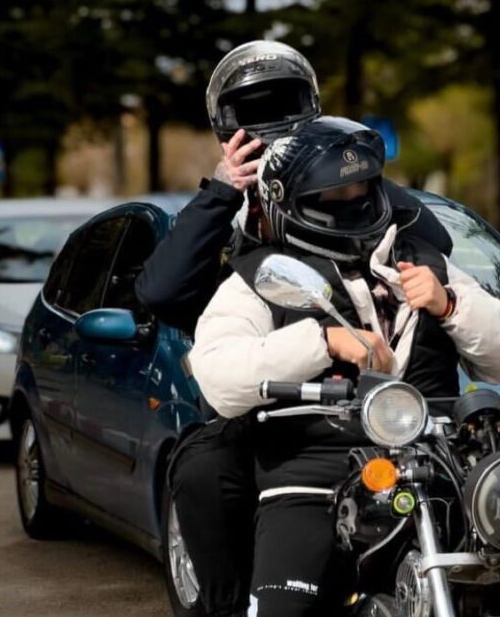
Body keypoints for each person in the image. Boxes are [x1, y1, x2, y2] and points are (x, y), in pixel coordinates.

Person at [133, 40, 453, 616]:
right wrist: (224, 188)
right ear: (224, 126)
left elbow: (434, 242)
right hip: (263, 394)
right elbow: (161, 290)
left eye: (282, 103)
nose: (268, 123)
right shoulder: (226, 209)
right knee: (204, 466)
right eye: (250, 112)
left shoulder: (355, 189)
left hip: (369, 403)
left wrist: (348, 166)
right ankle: (229, 605)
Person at [188, 116, 500, 615]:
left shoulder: (424, 260)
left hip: (434, 470)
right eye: (334, 193)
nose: (351, 199)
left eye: (360, 187)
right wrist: (323, 341)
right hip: (314, 473)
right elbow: (219, 375)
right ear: (289, 203)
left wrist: (451, 305)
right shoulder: (263, 277)